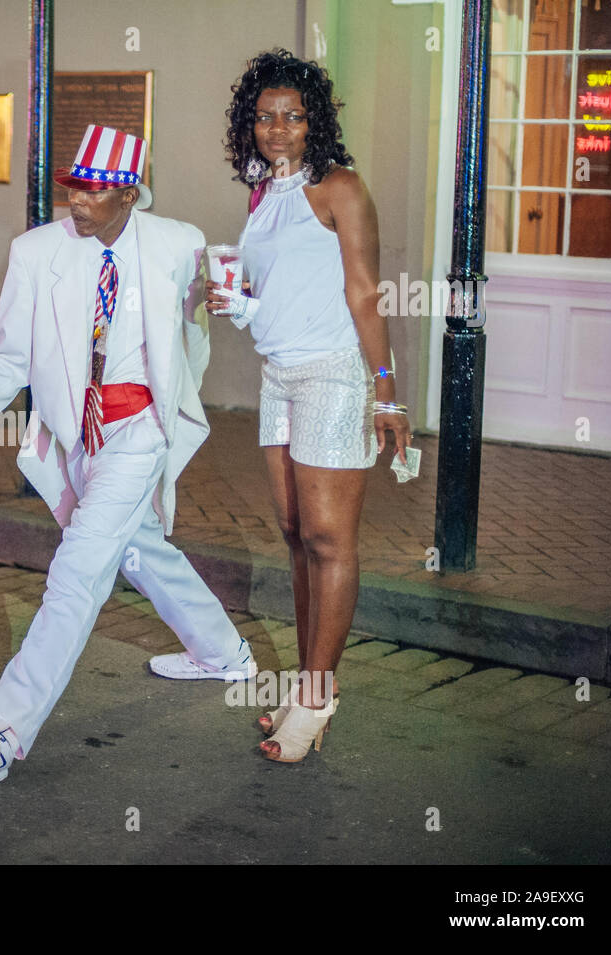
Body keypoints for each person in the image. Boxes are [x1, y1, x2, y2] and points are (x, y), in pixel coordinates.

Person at [0, 125, 253, 783]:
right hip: (74, 437)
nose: (77, 202)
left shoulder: (180, 244)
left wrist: (180, 390)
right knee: (140, 550)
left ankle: (1, 733)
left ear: (129, 194)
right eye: (73, 188)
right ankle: (225, 651)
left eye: (93, 191)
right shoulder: (36, 254)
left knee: (77, 570)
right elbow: (10, 361)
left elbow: (204, 327)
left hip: (139, 431)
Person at [208, 50, 412, 762]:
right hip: (279, 376)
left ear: (313, 121)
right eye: (264, 117)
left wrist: (388, 395)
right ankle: (304, 686)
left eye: (292, 116)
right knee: (295, 533)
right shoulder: (264, 197)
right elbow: (273, 296)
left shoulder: (340, 188)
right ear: (250, 126)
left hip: (333, 375)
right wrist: (234, 303)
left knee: (330, 539)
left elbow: (363, 294)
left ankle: (320, 693)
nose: (277, 128)